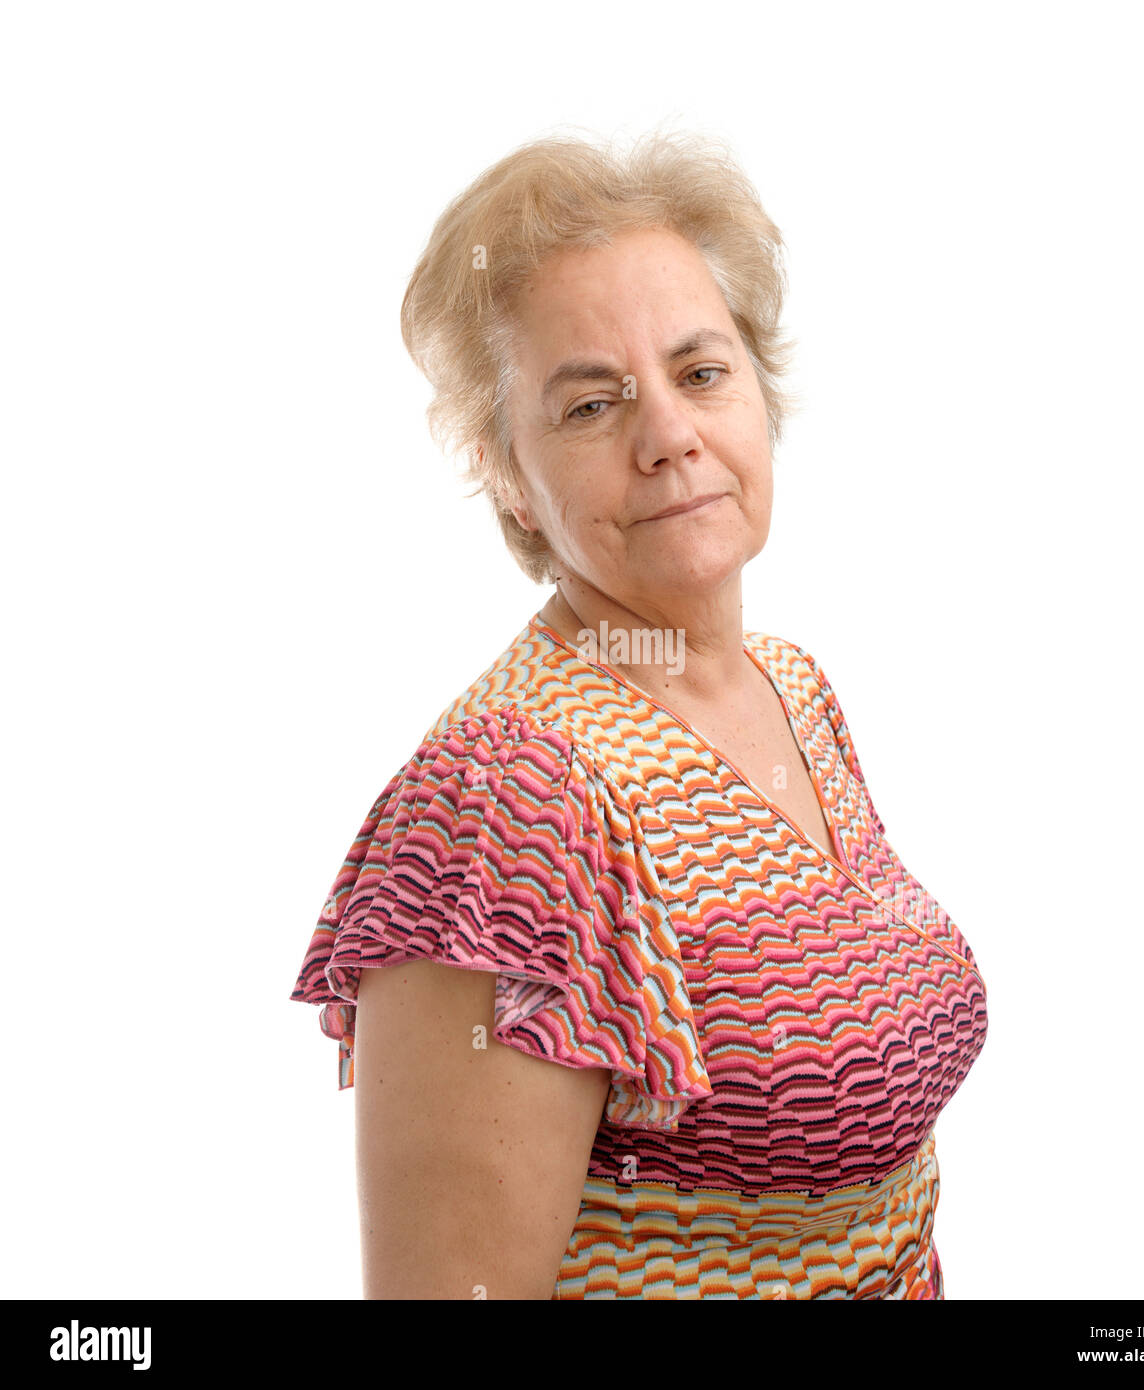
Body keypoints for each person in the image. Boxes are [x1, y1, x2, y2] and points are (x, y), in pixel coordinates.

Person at [289, 128, 988, 1299]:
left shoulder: (793, 689)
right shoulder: (509, 802)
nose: (667, 436)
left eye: (699, 371)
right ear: (506, 472)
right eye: (589, 405)